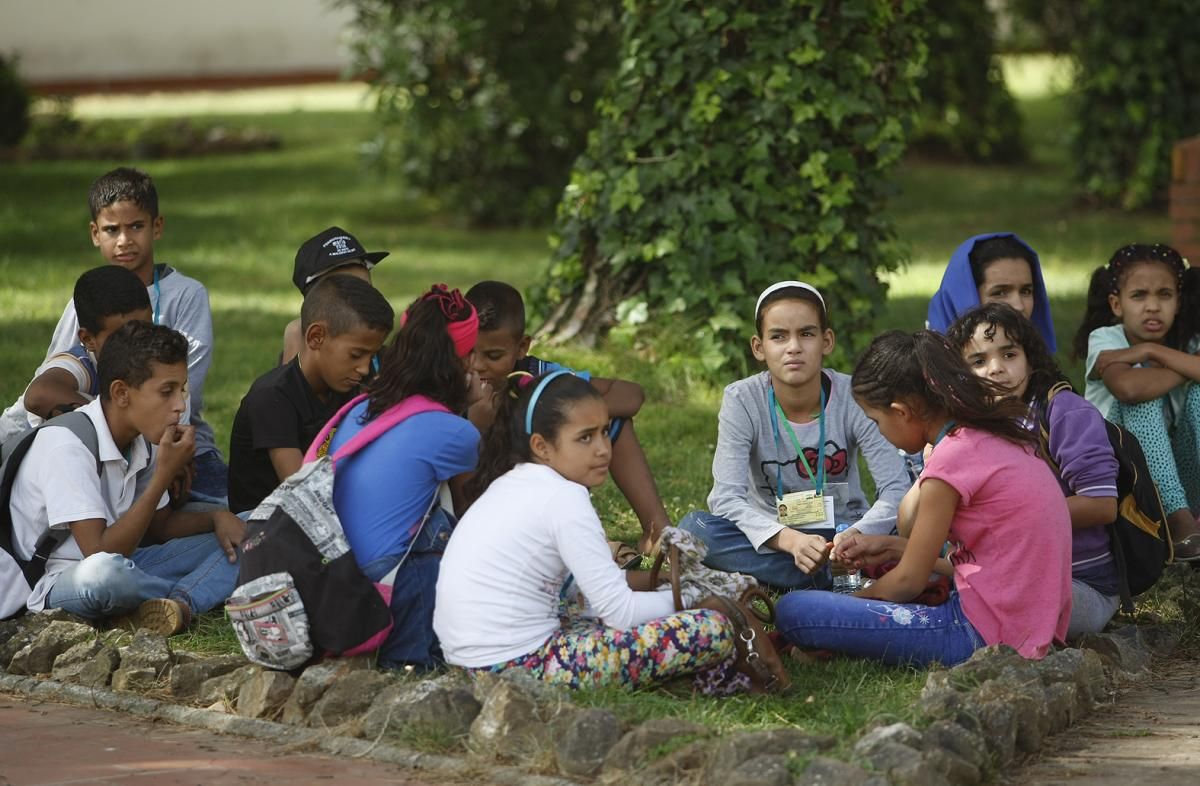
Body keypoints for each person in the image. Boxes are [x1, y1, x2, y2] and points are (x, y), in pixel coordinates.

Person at [775, 330, 1072, 666]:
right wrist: (892, 548)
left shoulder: (951, 459)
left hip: (982, 634)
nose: (879, 430)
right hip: (1029, 626)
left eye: (876, 420)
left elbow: (908, 582)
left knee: (795, 611)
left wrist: (856, 606)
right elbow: (987, 566)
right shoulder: (992, 434)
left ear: (902, 412)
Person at [435, 370, 738, 689]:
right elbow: (620, 612)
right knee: (712, 627)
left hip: (468, 663)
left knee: (595, 608)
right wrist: (695, 597)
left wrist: (662, 584)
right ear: (541, 445)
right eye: (585, 437)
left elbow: (586, 592)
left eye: (605, 432)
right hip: (516, 667)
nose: (603, 449)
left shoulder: (516, 483)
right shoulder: (564, 496)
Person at [9, 322, 243, 635]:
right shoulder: (66, 445)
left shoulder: (141, 437)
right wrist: (163, 474)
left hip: (130, 562)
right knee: (109, 577)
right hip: (58, 580)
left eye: (182, 389)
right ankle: (196, 593)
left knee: (254, 528)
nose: (180, 406)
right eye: (166, 391)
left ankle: (176, 606)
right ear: (121, 393)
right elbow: (99, 552)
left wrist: (218, 517)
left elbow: (161, 527)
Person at [677, 281, 909, 590]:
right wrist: (789, 540)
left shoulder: (855, 397)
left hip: (847, 533)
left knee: (916, 528)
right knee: (695, 530)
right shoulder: (741, 399)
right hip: (773, 535)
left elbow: (896, 488)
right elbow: (725, 497)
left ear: (827, 341)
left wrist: (856, 536)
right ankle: (838, 579)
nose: (794, 347)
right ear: (759, 347)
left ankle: (818, 573)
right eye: (778, 336)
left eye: (807, 334)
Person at [28, 167, 228, 505]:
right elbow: (52, 378)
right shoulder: (88, 300)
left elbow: (184, 390)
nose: (124, 240)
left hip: (174, 438)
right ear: (95, 234)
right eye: (112, 230)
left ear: (157, 226)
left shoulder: (187, 295)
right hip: (102, 440)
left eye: (136, 226)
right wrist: (115, 426)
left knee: (236, 507)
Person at [324, 284, 484, 671]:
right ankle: (413, 659)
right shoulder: (453, 431)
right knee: (443, 532)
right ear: (462, 363)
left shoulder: (359, 408)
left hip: (330, 581)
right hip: (387, 586)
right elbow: (478, 507)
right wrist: (479, 412)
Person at [948, 303, 1121, 637]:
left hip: (1078, 583)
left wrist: (1005, 521)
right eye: (979, 361)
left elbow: (1102, 504)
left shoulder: (1064, 413)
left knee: (982, 608)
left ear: (1030, 359)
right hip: (1002, 574)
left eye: (1009, 355)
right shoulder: (971, 427)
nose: (996, 369)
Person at [465, 280, 670, 555]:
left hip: (544, 492)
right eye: (468, 351)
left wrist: (562, 418)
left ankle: (657, 530)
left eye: (493, 355)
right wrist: (476, 426)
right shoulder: (452, 380)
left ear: (522, 347)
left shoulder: (538, 378)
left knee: (612, 421)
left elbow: (631, 395)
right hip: (478, 509)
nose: (478, 365)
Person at [1074, 243, 1200, 559]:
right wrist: (1187, 366)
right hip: (1119, 477)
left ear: (1179, 302)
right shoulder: (1107, 338)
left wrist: (1151, 352)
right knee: (1141, 401)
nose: (1153, 306)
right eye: (1139, 296)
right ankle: (1179, 525)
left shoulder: (1186, 341)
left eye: (1164, 295)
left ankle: (1186, 515)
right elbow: (1129, 388)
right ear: (1117, 304)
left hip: (1176, 475)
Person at [228, 275, 393, 515]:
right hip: (264, 527)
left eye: (372, 356)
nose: (365, 368)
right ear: (316, 337)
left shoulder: (348, 386)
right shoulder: (272, 397)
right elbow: (302, 493)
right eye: (356, 354)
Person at [1, 266, 151, 440]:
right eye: (120, 338)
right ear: (88, 339)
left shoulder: (156, 360)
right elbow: (38, 395)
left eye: (145, 330)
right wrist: (117, 422)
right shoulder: (82, 362)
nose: (136, 344)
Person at [927, 233, 1057, 353]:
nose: (1019, 306)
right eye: (1000, 293)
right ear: (962, 298)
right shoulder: (925, 372)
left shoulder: (1040, 372)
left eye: (1025, 291)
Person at [280, 226, 390, 365]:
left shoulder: (389, 361)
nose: (364, 301)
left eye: (367, 290)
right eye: (349, 296)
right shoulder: (299, 350)